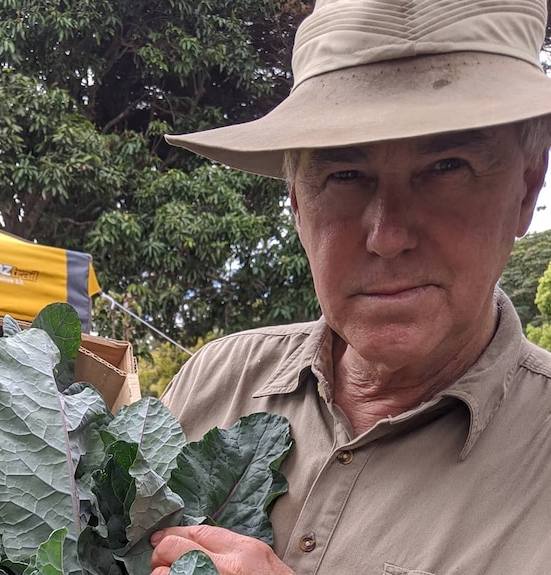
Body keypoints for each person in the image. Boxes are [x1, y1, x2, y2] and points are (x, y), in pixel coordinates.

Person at [149, 0, 551, 574]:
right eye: (344, 176)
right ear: (295, 205)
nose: (388, 235)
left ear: (526, 190)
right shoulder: (220, 379)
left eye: (446, 167)